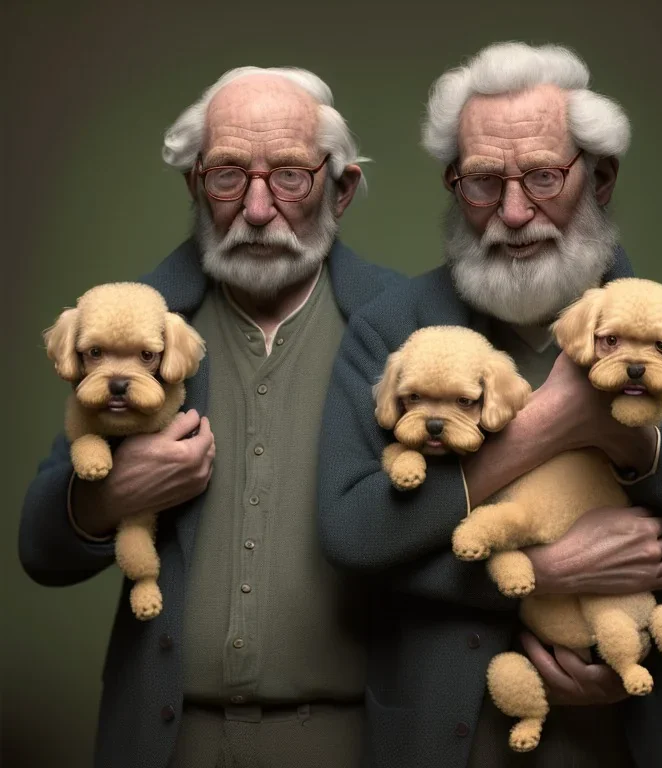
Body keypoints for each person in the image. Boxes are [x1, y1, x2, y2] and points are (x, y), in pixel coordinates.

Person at [318, 42, 662, 768]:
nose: (514, 212)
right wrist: (545, 552)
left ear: (600, 177)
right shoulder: (391, 326)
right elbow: (355, 540)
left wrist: (637, 449)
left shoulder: (642, 321)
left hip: (627, 732)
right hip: (447, 733)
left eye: (545, 176)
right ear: (455, 184)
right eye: (484, 181)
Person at [19, 66, 403, 768]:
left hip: (353, 741)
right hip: (169, 739)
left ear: (339, 189)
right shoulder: (138, 321)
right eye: (229, 174)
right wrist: (115, 494)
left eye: (289, 175)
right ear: (196, 184)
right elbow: (40, 548)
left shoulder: (404, 327)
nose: (257, 209)